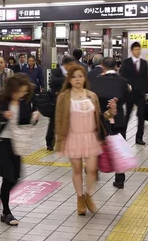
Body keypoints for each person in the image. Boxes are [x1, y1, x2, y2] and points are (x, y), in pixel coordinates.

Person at [56, 65, 114, 215]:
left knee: (92, 170)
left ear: (85, 78)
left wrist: (111, 112)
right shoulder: (64, 97)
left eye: (80, 76)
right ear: (69, 79)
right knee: (76, 169)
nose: (77, 79)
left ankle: (88, 195)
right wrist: (59, 139)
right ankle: (79, 198)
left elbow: (100, 117)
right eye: (74, 77)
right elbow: (59, 119)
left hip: (91, 136)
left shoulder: (91, 96)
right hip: (72, 137)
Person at [0, 74, 40, 226]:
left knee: (16, 177)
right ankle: (6, 212)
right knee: (8, 176)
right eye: (18, 92)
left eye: (23, 91)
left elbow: (26, 122)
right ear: (11, 89)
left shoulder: (26, 101)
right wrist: (3, 116)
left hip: (17, 142)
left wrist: (34, 118)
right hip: (1, 141)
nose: (21, 95)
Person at [91, 57, 130, 189]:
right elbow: (125, 99)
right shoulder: (123, 81)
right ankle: (119, 179)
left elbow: (93, 98)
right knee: (119, 147)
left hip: (101, 119)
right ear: (116, 67)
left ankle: (95, 170)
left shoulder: (96, 80)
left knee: (98, 145)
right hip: (118, 118)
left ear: (102, 66)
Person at [121, 42, 148, 145]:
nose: (138, 51)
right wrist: (127, 84)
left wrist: (146, 93)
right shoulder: (126, 62)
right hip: (129, 94)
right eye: (136, 50)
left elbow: (146, 79)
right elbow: (122, 76)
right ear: (131, 51)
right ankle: (122, 136)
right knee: (127, 115)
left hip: (140, 94)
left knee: (141, 116)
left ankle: (139, 138)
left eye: (139, 49)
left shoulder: (144, 63)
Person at [46, 56, 76, 150]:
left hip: (70, 99)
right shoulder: (56, 71)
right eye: (71, 65)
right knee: (54, 121)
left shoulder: (74, 73)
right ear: (66, 64)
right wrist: (67, 79)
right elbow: (53, 82)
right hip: (57, 100)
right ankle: (50, 142)